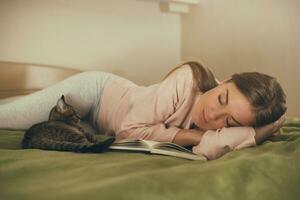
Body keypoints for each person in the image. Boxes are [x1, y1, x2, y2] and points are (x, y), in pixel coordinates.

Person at [0, 61, 287, 160]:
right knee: (7, 118)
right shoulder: (187, 81)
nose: (213, 117)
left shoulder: (222, 128)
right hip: (96, 92)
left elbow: (214, 148)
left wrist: (260, 132)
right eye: (221, 99)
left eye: (229, 121)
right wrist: (187, 137)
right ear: (223, 81)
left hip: (94, 128)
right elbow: (128, 131)